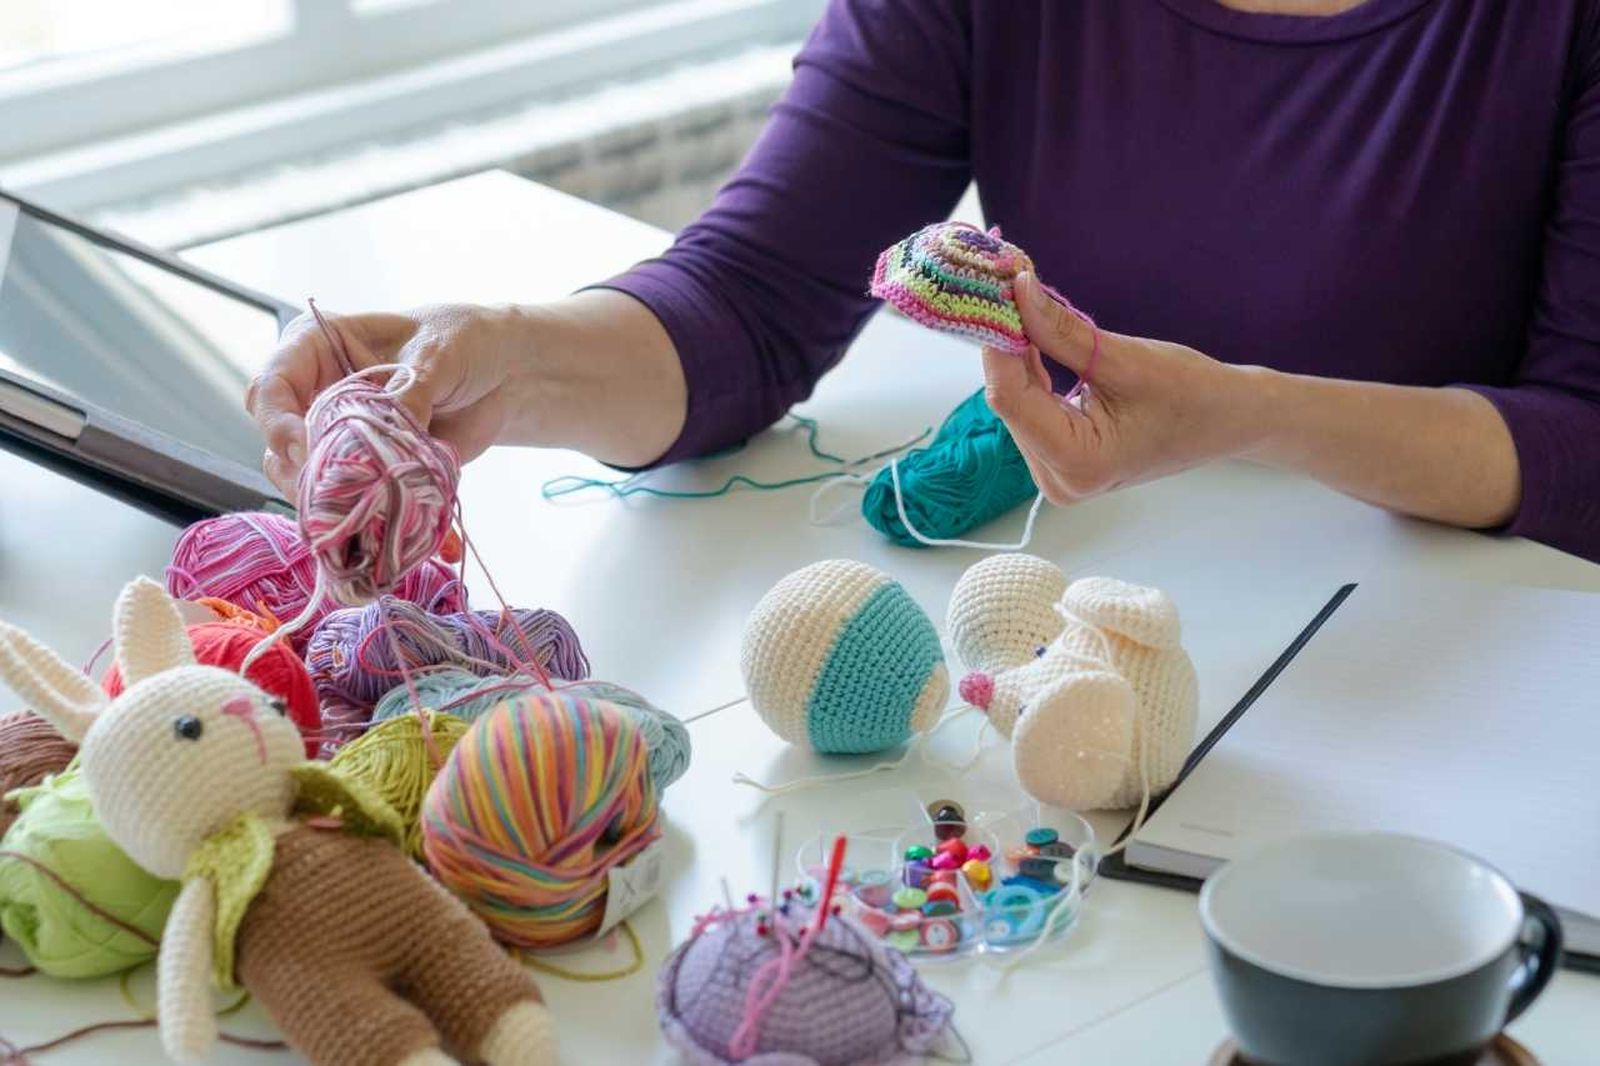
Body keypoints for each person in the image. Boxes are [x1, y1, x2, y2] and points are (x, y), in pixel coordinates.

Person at [248, 0, 1600, 561]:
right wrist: (503, 354)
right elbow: (753, 300)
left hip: (1470, 685)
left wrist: (1252, 414)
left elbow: (1583, 441)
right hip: (1097, 649)